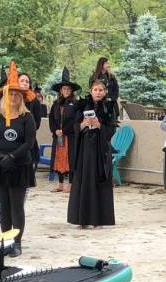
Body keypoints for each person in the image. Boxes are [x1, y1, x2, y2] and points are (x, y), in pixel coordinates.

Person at [0, 61, 37, 257]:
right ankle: (5, 240)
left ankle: (17, 242)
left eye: (17, 94)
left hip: (19, 165)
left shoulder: (27, 117)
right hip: (0, 165)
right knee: (4, 206)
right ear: (5, 95)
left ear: (21, 97)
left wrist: (13, 156)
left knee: (17, 206)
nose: (14, 97)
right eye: (11, 93)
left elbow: (29, 142)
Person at [67, 79, 116, 228]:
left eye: (101, 90)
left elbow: (111, 131)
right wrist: (82, 125)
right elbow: (70, 127)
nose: (98, 92)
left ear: (105, 92)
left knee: (99, 179)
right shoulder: (81, 106)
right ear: (90, 91)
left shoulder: (110, 108)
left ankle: (98, 219)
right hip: (84, 150)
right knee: (83, 180)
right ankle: (82, 219)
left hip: (100, 151)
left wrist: (99, 125)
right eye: (95, 90)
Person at [48, 66, 81, 193]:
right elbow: (51, 118)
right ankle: (60, 184)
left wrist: (65, 131)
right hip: (58, 137)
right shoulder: (56, 104)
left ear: (71, 90)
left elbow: (76, 120)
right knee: (58, 159)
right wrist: (55, 130)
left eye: (68, 89)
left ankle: (71, 184)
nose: (66, 91)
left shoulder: (76, 104)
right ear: (60, 90)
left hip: (70, 136)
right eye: (64, 89)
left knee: (71, 159)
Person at [89, 57, 119, 138]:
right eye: (107, 63)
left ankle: (109, 147)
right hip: (97, 106)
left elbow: (116, 91)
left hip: (110, 106)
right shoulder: (94, 77)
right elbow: (91, 90)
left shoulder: (112, 77)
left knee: (111, 129)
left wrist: (111, 99)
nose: (108, 65)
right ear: (101, 64)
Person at [19, 72, 42, 173]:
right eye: (22, 81)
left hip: (29, 140)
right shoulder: (10, 99)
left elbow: (37, 122)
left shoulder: (34, 101)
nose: (24, 83)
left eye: (27, 81)